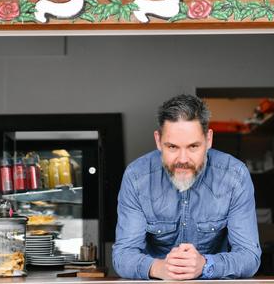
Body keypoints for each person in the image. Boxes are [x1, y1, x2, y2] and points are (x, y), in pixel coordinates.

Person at [112, 94, 261, 280]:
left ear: (208, 140)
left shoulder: (235, 175)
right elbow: (123, 256)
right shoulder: (136, 177)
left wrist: (205, 265)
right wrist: (160, 268)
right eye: (172, 147)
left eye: (193, 147)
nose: (182, 160)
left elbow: (249, 256)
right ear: (158, 141)